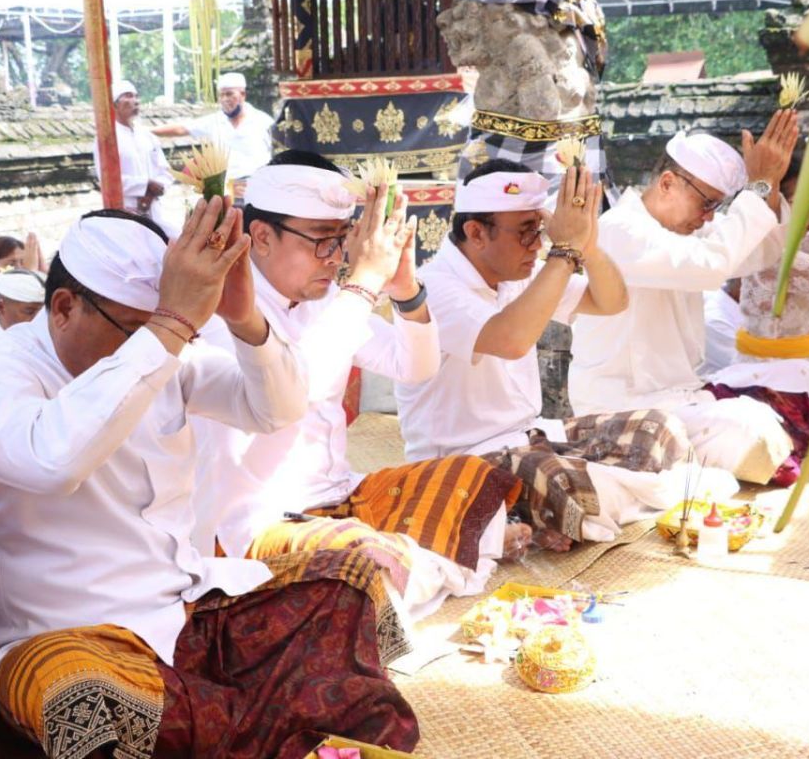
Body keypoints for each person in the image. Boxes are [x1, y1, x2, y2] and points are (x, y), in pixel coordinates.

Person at [0, 203, 418, 759]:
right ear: (64, 308)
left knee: (347, 581)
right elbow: (54, 461)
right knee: (84, 703)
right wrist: (167, 327)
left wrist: (244, 320)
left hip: (179, 612)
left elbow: (278, 408)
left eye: (166, 330)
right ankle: (266, 725)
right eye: (139, 330)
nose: (159, 350)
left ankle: (257, 723)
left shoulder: (167, 347)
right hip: (63, 639)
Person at [192, 152, 527, 622]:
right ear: (262, 237)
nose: (335, 259)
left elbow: (414, 365)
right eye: (321, 242)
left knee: (472, 479)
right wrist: (364, 282)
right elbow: (291, 394)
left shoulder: (325, 298)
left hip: (341, 498)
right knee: (363, 568)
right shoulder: (222, 314)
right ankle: (423, 565)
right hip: (260, 523)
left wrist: (405, 289)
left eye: (340, 241)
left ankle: (418, 566)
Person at [395, 159, 694, 552]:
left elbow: (612, 301)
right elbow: (511, 339)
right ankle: (587, 503)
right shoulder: (435, 287)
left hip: (532, 439)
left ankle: (554, 515)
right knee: (564, 484)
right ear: (475, 233)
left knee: (660, 428)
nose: (537, 244)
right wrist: (564, 252)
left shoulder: (519, 272)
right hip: (463, 462)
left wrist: (586, 246)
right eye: (525, 232)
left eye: (540, 230)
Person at [567, 111, 803, 485]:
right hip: (622, 410)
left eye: (717, 207)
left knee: (779, 396)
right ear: (667, 183)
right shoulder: (620, 231)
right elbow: (711, 266)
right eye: (707, 204)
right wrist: (757, 186)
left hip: (679, 402)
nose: (709, 218)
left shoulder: (683, 236)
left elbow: (761, 251)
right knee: (749, 429)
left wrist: (770, 184)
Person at [152, 72, 274, 202]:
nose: (224, 99)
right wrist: (145, 132)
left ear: (243, 94)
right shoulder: (213, 121)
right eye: (221, 95)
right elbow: (181, 129)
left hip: (260, 190)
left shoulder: (263, 121)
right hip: (226, 193)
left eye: (229, 94)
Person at [93, 80, 176, 234]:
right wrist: (144, 186)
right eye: (128, 96)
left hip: (155, 209)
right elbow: (108, 180)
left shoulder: (147, 135)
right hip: (125, 209)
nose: (135, 101)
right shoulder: (107, 138)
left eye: (136, 97)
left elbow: (166, 171)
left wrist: (153, 192)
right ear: (115, 104)